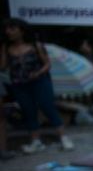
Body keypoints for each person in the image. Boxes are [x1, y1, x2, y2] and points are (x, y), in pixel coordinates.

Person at [0, 18, 74, 153]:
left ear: (21, 30)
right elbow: (3, 67)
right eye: (7, 29)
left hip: (39, 81)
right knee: (28, 110)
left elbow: (47, 64)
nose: (8, 32)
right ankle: (36, 141)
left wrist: (38, 73)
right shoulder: (7, 47)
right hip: (19, 84)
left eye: (12, 29)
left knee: (47, 106)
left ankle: (63, 137)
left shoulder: (36, 45)